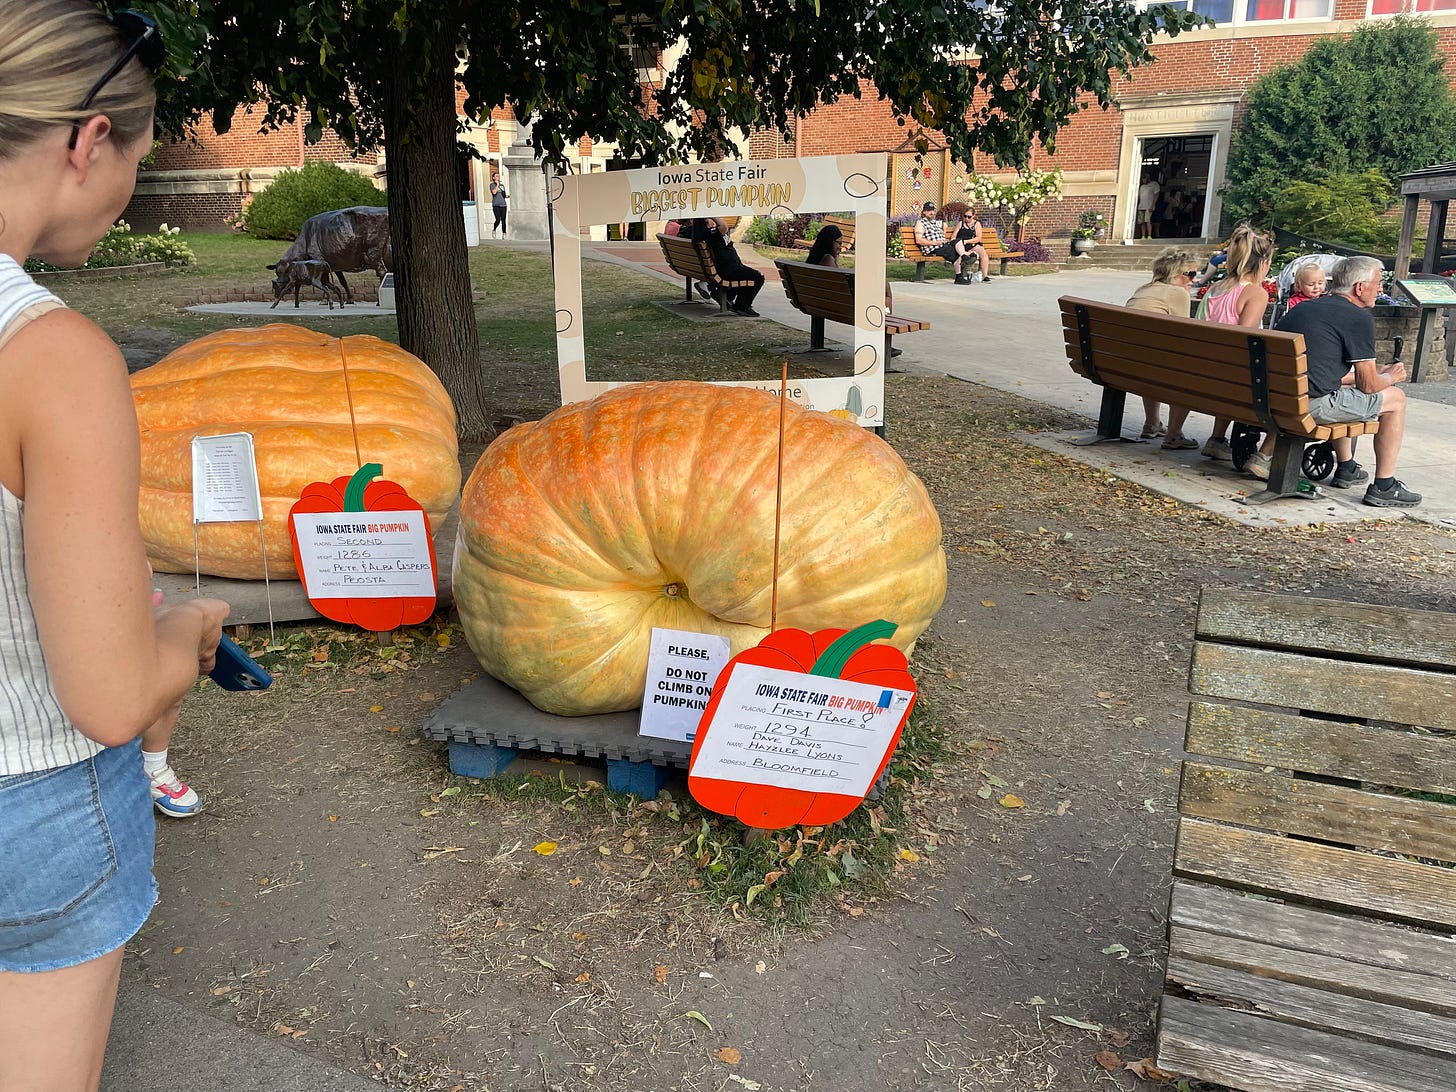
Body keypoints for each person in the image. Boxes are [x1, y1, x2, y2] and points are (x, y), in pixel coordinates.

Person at [0, 4, 231, 1088]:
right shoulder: (52, 355)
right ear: (87, 140)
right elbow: (106, 696)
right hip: (27, 801)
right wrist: (180, 635)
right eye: (140, 147)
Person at [1266, 257, 1418, 506]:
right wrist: (1392, 376)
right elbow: (1368, 385)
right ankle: (1384, 486)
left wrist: (1371, 374)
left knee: (1344, 390)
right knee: (1396, 399)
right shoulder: (1358, 318)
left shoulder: (1304, 308)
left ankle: (1346, 466)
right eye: (1378, 283)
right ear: (1359, 287)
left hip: (1276, 397)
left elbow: (1326, 372)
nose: (1381, 289)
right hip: (1307, 407)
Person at [1195, 224, 1274, 462]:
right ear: (1263, 264)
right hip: (1230, 375)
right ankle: (1265, 453)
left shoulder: (1214, 288)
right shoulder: (1256, 294)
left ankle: (1217, 438)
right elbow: (1246, 340)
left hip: (1200, 369)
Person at [1122, 247, 1202, 444]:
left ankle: (1152, 423)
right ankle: (1174, 434)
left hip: (1123, 364)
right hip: (1154, 366)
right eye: (1190, 274)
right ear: (1175, 274)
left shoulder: (1144, 289)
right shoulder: (1177, 293)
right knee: (1192, 370)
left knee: (1152, 358)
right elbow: (1185, 336)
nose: (1193, 280)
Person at [805, 223, 902, 358]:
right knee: (886, 295)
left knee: (881, 291)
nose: (840, 247)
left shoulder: (814, 259)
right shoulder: (828, 259)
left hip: (820, 304)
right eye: (838, 243)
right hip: (842, 307)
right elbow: (841, 288)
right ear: (828, 242)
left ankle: (879, 341)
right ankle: (881, 343)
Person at [689, 216, 764, 316]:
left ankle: (728, 297)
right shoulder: (712, 233)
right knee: (758, 277)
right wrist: (712, 215)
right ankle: (743, 306)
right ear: (707, 222)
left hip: (726, 268)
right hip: (728, 270)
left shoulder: (703, 234)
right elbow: (724, 226)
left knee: (747, 273)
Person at [912, 201, 968, 284]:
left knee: (958, 241)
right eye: (929, 210)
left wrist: (944, 228)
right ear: (924, 212)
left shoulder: (935, 222)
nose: (931, 212)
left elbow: (941, 232)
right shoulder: (920, 223)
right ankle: (960, 274)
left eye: (932, 210)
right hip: (933, 248)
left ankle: (964, 256)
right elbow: (919, 240)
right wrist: (935, 243)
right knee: (954, 251)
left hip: (942, 245)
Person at [953, 208, 993, 282]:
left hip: (971, 243)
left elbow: (978, 238)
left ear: (973, 216)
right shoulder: (960, 223)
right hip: (961, 245)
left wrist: (967, 241)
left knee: (983, 253)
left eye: (969, 217)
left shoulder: (976, 224)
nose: (966, 218)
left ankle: (985, 276)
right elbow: (953, 236)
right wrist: (955, 242)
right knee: (960, 254)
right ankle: (960, 275)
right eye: (965, 216)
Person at [1137, 174, 1160, 240]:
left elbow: (1156, 195)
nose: (1143, 180)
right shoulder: (1142, 187)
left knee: (1148, 221)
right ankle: (1143, 236)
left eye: (1144, 178)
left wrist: (1152, 205)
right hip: (1141, 206)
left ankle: (1149, 235)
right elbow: (1138, 197)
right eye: (1142, 178)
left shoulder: (1154, 184)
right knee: (1142, 222)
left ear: (1148, 178)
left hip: (1149, 206)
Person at [490, 172, 507, 236]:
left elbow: (503, 195)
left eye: (499, 176)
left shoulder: (502, 186)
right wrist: (497, 185)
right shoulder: (492, 185)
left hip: (503, 204)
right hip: (496, 205)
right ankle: (494, 229)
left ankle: (504, 233)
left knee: (503, 219)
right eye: (497, 176)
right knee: (497, 219)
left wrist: (506, 196)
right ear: (493, 178)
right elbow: (494, 192)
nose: (498, 177)